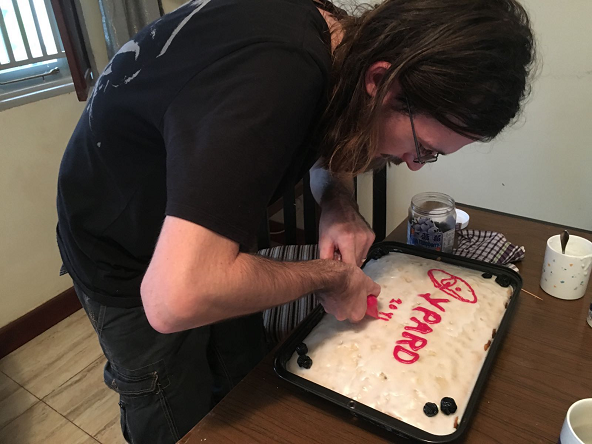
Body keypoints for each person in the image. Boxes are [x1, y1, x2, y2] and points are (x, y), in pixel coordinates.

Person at [56, 0, 535, 442]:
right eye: (425, 148)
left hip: (201, 237)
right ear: (382, 82)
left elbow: (337, 119)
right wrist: (329, 278)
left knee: (241, 376)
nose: (413, 163)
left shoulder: (339, 39)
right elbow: (173, 298)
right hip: (121, 244)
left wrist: (337, 202)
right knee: (172, 406)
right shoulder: (274, 75)